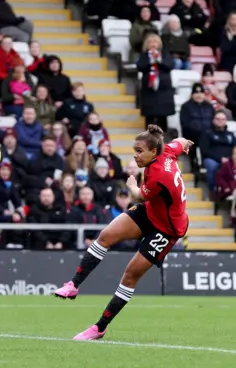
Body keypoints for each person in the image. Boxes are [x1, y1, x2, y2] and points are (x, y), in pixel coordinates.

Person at [54, 126, 194, 340]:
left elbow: (139, 195)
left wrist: (131, 184)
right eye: (134, 150)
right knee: (105, 236)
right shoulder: (166, 150)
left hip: (167, 230)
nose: (135, 156)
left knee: (129, 276)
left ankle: (99, 328)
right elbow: (181, 141)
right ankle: (73, 285)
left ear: (153, 151)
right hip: (151, 212)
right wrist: (186, 144)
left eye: (139, 151)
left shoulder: (159, 176)